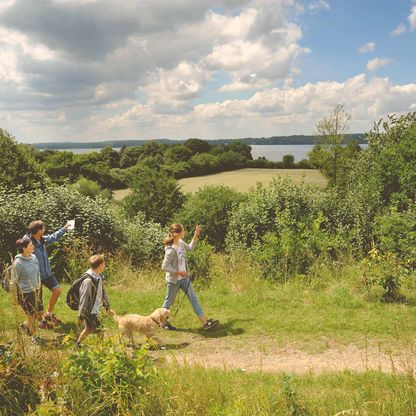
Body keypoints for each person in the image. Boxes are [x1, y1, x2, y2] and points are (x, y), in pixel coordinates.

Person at [161, 223, 218, 331]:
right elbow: (164, 267)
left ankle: (205, 323)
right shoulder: (170, 249)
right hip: (174, 280)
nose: (184, 232)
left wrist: (195, 235)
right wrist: (178, 272)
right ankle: (162, 322)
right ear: (177, 233)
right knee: (168, 302)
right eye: (183, 230)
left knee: (194, 299)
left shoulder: (181, 243)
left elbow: (191, 248)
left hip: (184, 278)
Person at [26, 220, 71, 327]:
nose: (45, 229)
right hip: (36, 277)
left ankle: (48, 314)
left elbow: (53, 237)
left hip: (47, 274)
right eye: (43, 228)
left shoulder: (42, 240)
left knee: (57, 290)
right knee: (37, 305)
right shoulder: (28, 243)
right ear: (39, 230)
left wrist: (64, 229)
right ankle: (39, 322)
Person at [13, 237, 46, 344]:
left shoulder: (34, 257)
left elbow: (38, 273)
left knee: (40, 312)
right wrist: (16, 297)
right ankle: (34, 337)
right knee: (31, 315)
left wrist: (39, 285)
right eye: (31, 245)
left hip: (37, 289)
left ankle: (26, 325)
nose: (33, 246)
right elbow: (13, 281)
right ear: (24, 248)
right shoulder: (18, 263)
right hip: (26, 292)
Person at [76, 254, 110, 347]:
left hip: (94, 309)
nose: (105, 265)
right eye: (104, 264)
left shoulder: (98, 277)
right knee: (100, 330)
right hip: (89, 311)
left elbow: (102, 292)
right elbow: (84, 298)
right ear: (100, 265)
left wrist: (107, 305)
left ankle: (77, 344)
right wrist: (81, 315)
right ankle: (99, 350)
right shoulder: (88, 280)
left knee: (89, 328)